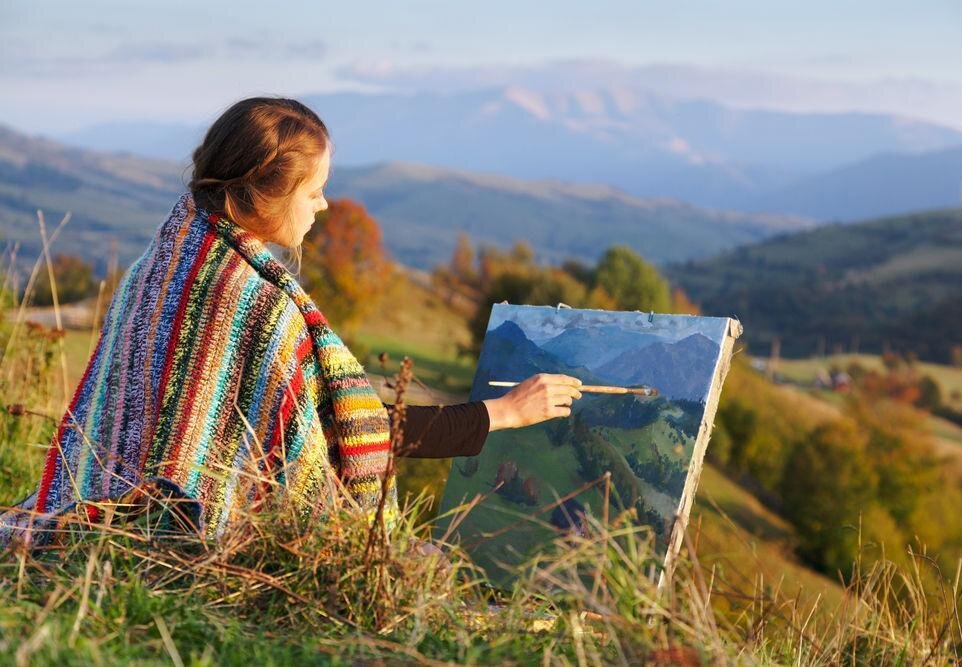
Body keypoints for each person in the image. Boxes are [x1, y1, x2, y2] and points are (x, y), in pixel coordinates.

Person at [0, 97, 582, 548]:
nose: (324, 207)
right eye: (316, 191)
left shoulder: (165, 259)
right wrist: (501, 413)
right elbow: (341, 435)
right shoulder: (253, 302)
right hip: (183, 531)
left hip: (104, 510)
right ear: (264, 193)